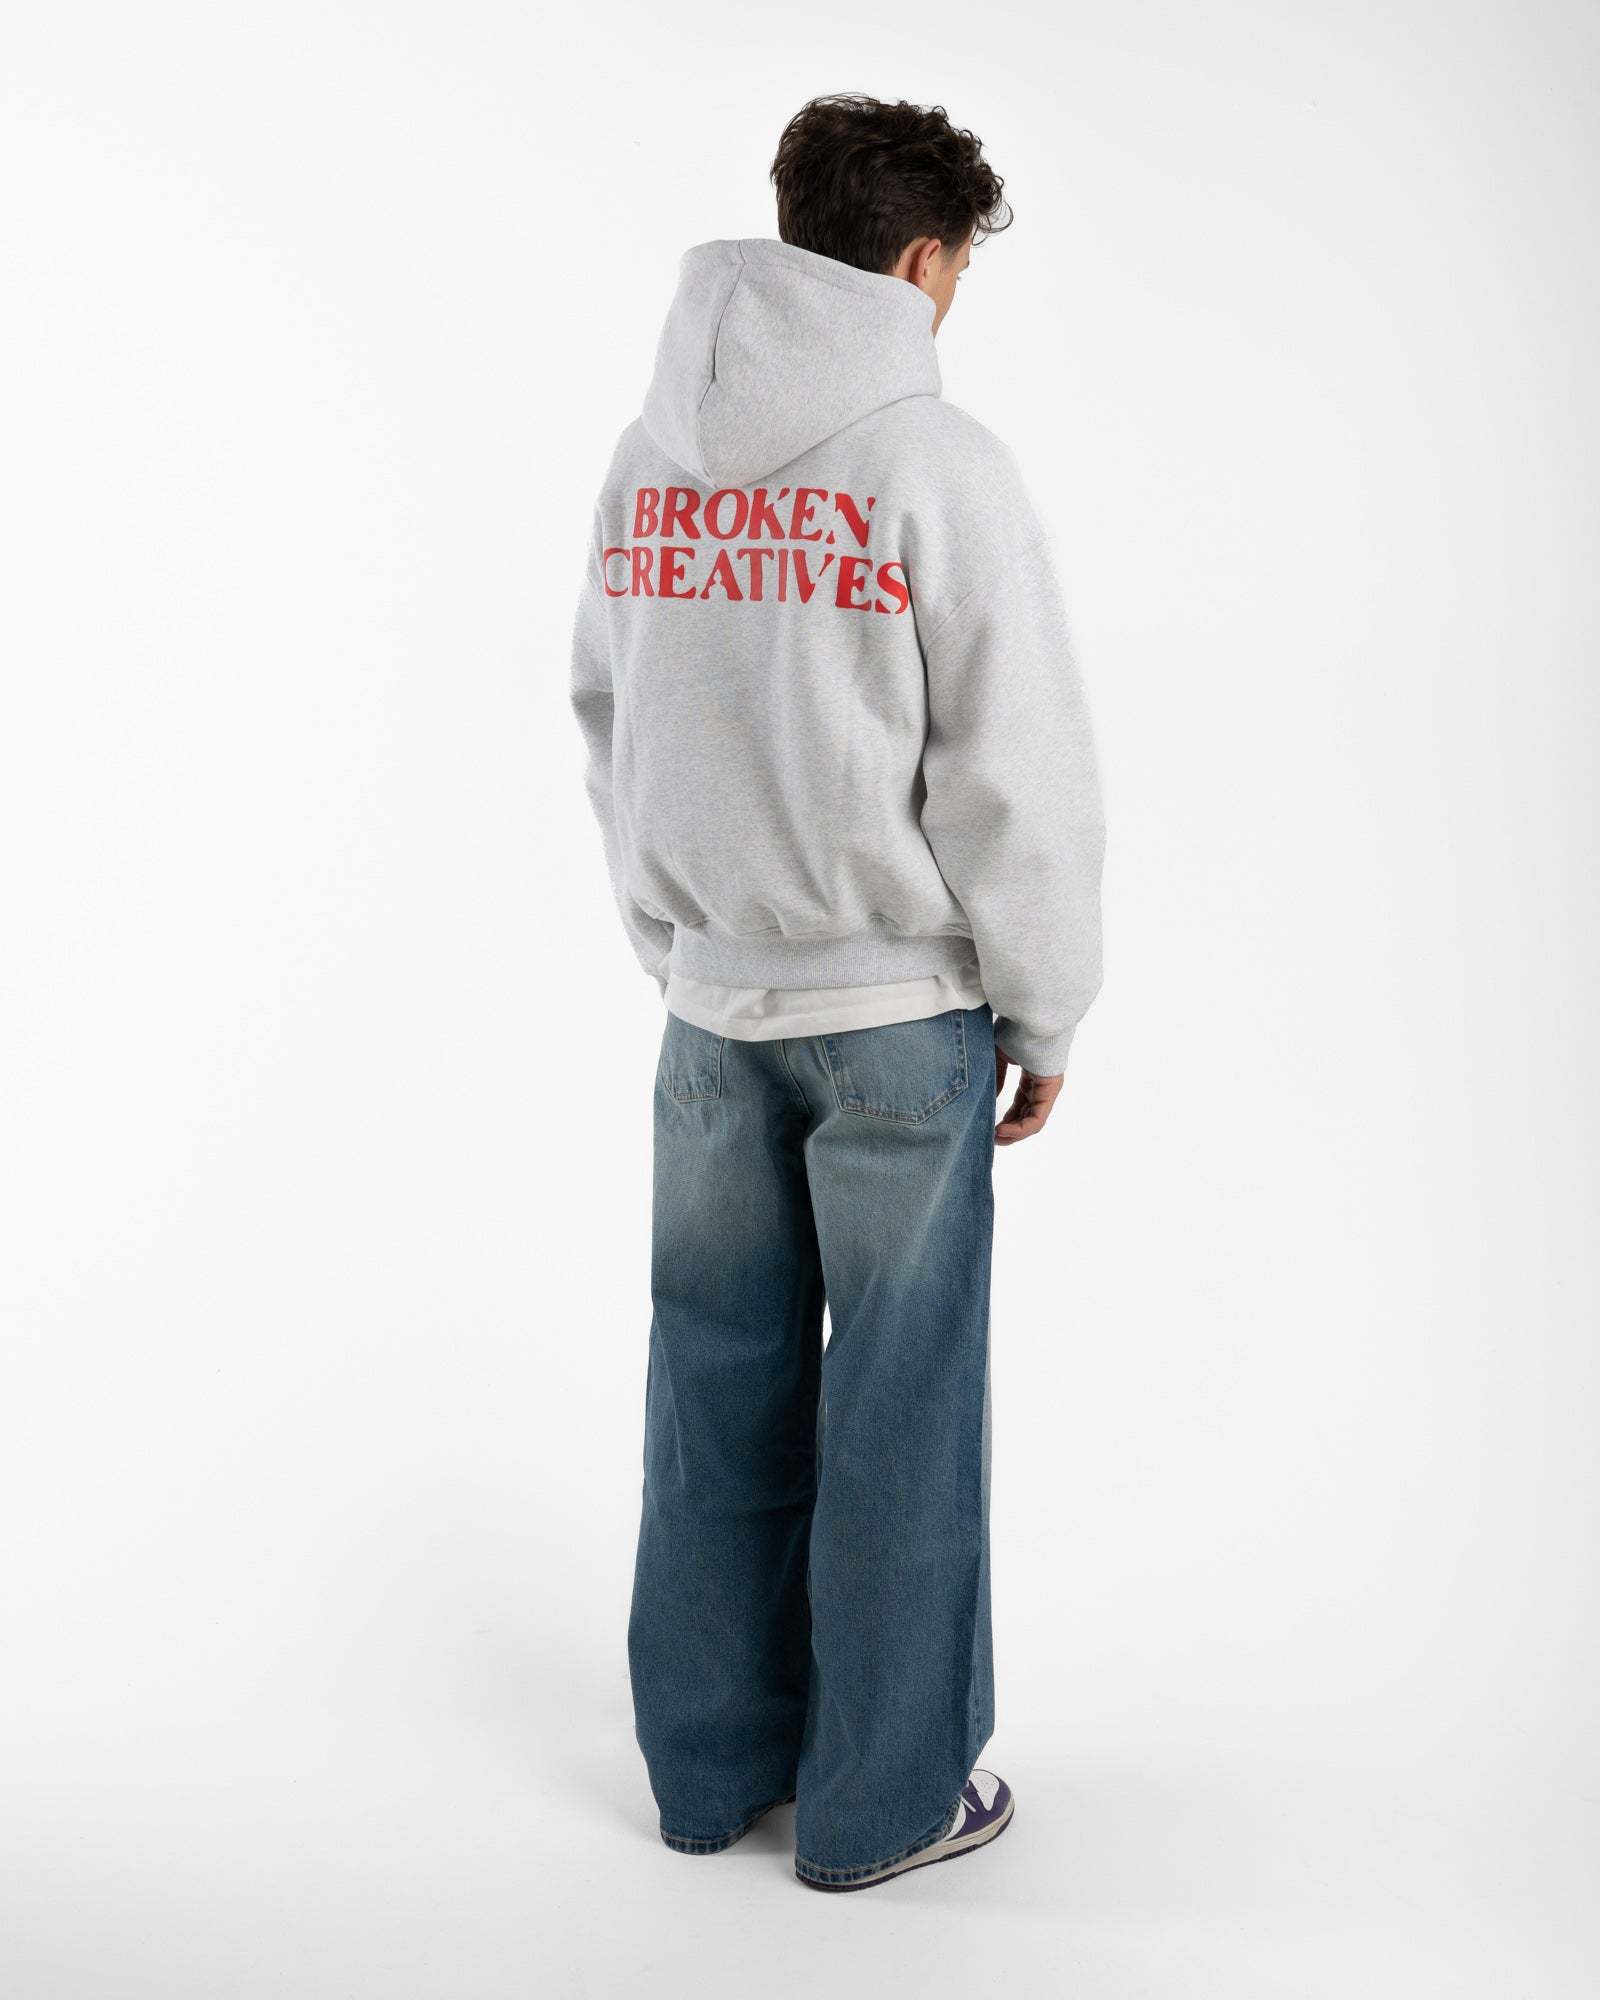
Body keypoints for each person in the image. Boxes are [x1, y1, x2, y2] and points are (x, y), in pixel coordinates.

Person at [569, 91, 1105, 1892]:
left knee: (709, 1391)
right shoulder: (937, 469)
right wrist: (1043, 1006)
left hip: (709, 1011)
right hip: (895, 1022)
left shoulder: (647, 459)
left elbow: (610, 711)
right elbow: (1016, 773)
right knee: (899, 1411)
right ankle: (884, 1809)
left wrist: (675, 940)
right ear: (921, 262)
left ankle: (709, 1776)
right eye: (956, 275)